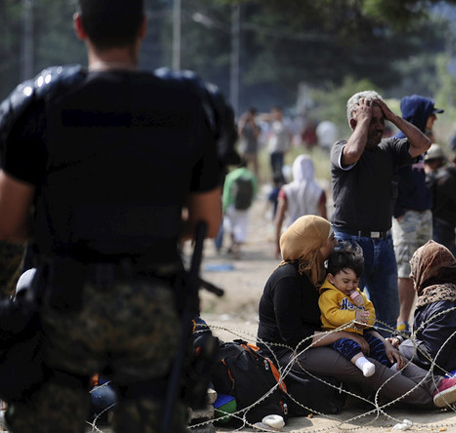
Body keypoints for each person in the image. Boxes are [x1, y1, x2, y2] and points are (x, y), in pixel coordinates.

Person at [0, 0, 228, 431]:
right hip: (151, 300)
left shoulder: (40, 104)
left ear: (79, 26)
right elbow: (207, 222)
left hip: (64, 301)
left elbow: (7, 221)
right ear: (143, 29)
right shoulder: (186, 108)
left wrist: (61, 230)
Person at [257, 215, 456, 411]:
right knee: (361, 366)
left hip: (321, 339)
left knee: (392, 354)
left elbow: (355, 313)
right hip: (287, 353)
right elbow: (294, 338)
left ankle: (442, 385)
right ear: (315, 246)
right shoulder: (287, 279)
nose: (336, 242)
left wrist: (380, 340)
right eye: (330, 239)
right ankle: (437, 399)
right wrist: (344, 336)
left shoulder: (321, 274)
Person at [330, 91, 432, 334]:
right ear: (354, 122)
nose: (378, 127)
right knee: (344, 317)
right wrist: (363, 121)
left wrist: (393, 117)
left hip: (384, 244)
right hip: (349, 244)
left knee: (386, 318)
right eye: (371, 121)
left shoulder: (389, 150)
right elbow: (352, 154)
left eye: (380, 121)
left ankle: (383, 365)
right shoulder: (340, 148)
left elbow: (423, 144)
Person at [390, 241, 456, 377]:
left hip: (448, 376)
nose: (411, 275)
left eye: (416, 266)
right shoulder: (450, 294)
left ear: (429, 269)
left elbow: (430, 356)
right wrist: (400, 339)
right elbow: (427, 336)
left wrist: (399, 348)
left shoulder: (445, 304)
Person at [392, 94, 443, 334]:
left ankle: (418, 319)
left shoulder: (421, 143)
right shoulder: (401, 142)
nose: (434, 119)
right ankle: (401, 321)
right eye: (432, 114)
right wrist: (398, 212)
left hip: (423, 213)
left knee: (425, 268)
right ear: (420, 115)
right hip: (407, 216)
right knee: (405, 269)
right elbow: (388, 179)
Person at [319, 241, 391, 377]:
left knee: (376, 344)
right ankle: (362, 363)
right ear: (332, 278)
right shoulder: (329, 294)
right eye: (346, 281)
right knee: (345, 345)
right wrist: (353, 317)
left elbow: (370, 312)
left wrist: (363, 315)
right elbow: (331, 314)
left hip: (358, 333)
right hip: (336, 336)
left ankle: (390, 367)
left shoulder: (357, 295)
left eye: (355, 281)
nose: (351, 286)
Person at [274, 154, 327, 258]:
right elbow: (324, 220)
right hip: (312, 238)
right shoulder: (319, 191)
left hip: (291, 235)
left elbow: (279, 219)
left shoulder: (286, 190)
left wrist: (277, 244)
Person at [222, 160, 258, 259]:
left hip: (231, 205)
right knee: (241, 226)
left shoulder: (231, 176)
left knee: (231, 226)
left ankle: (233, 244)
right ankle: (237, 248)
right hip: (244, 206)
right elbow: (255, 192)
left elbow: (226, 193)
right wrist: (249, 203)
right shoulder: (251, 176)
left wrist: (224, 206)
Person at [266, 105, 292, 183]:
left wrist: (288, 147)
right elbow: (263, 117)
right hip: (272, 149)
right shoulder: (273, 123)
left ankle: (282, 184)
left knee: (280, 169)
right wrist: (272, 116)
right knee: (273, 169)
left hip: (280, 150)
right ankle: (276, 185)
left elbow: (290, 136)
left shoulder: (285, 123)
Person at [238, 106, 261, 179]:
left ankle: (255, 182)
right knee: (242, 167)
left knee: (255, 169)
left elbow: (257, 135)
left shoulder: (257, 125)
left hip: (253, 150)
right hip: (244, 149)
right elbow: (240, 133)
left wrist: (253, 125)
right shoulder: (244, 124)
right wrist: (243, 122)